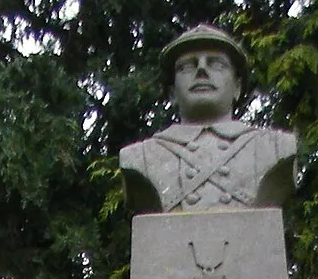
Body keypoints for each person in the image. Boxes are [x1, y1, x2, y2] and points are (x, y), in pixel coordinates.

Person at [119, 24, 296, 213]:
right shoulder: (140, 157)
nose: (201, 70)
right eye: (187, 66)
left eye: (217, 64)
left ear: (237, 87)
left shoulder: (276, 148)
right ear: (172, 93)